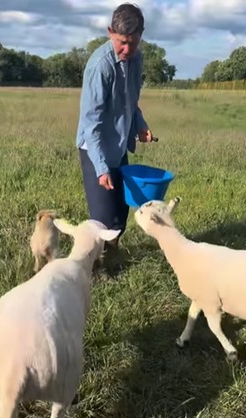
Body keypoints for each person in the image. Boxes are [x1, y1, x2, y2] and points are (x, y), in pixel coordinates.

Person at [76, 3, 154, 265]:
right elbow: (92, 123)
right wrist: (101, 167)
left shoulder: (136, 58)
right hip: (95, 147)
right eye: (122, 42)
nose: (127, 50)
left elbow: (131, 101)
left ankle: (111, 258)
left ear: (141, 35)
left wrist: (139, 124)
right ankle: (91, 269)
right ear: (111, 32)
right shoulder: (100, 66)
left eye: (133, 43)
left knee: (120, 210)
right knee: (102, 217)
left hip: (118, 145)